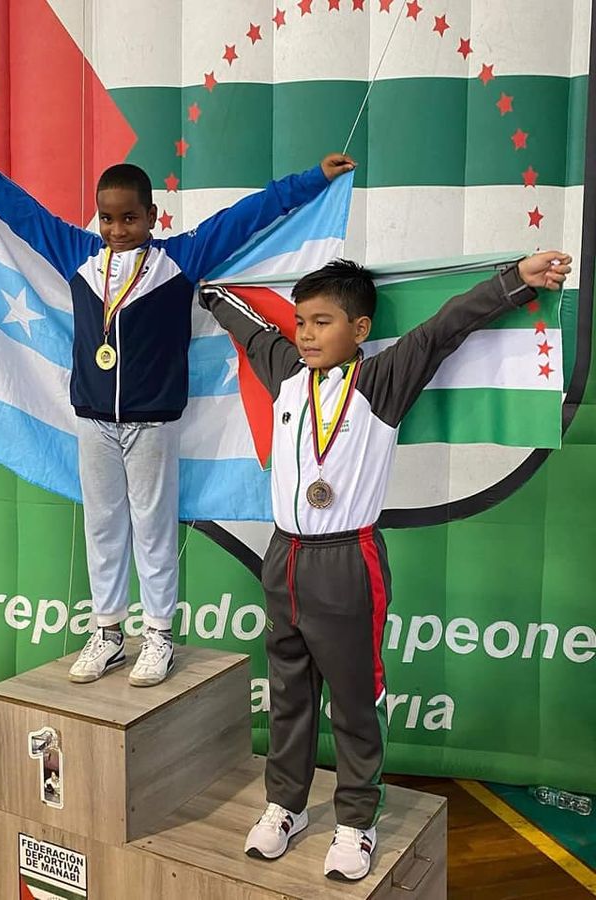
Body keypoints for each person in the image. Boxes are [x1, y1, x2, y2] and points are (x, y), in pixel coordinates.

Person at [0, 126, 355, 688]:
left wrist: (311, 180)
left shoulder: (180, 259)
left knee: (152, 529)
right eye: (107, 218)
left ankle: (159, 636)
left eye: (129, 218)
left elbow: (246, 217)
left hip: (152, 424)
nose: (117, 230)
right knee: (103, 527)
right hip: (93, 422)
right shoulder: (78, 255)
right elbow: (15, 206)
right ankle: (107, 634)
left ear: (151, 216)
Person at [198, 250, 571, 881]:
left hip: (348, 558)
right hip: (284, 556)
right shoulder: (286, 372)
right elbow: (250, 329)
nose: (305, 334)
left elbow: (445, 328)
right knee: (288, 694)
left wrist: (516, 281)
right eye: (301, 321)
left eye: (321, 322)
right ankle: (286, 805)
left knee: (354, 699)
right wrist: (208, 293)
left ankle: (356, 820)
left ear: (361, 329)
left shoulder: (380, 382)